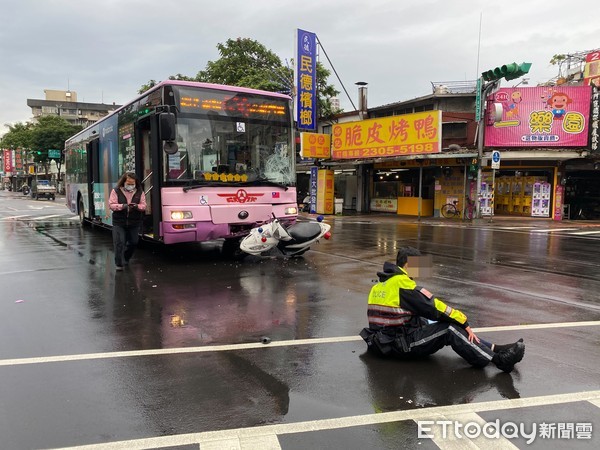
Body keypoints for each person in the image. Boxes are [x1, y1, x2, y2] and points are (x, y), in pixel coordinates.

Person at [360, 246, 525, 373]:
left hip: (383, 341)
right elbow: (434, 307)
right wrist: (463, 320)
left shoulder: (382, 284)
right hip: (398, 345)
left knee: (435, 321)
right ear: (409, 264)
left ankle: (495, 347)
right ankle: (498, 360)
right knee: (449, 328)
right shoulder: (402, 284)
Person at [108, 172, 147, 271]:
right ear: (124, 182)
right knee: (119, 242)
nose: (130, 185)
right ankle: (119, 264)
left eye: (132, 183)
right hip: (119, 222)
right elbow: (111, 205)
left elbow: (144, 205)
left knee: (134, 242)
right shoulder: (116, 191)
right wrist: (122, 206)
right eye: (128, 183)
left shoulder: (139, 192)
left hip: (134, 222)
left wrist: (137, 206)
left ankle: (126, 257)